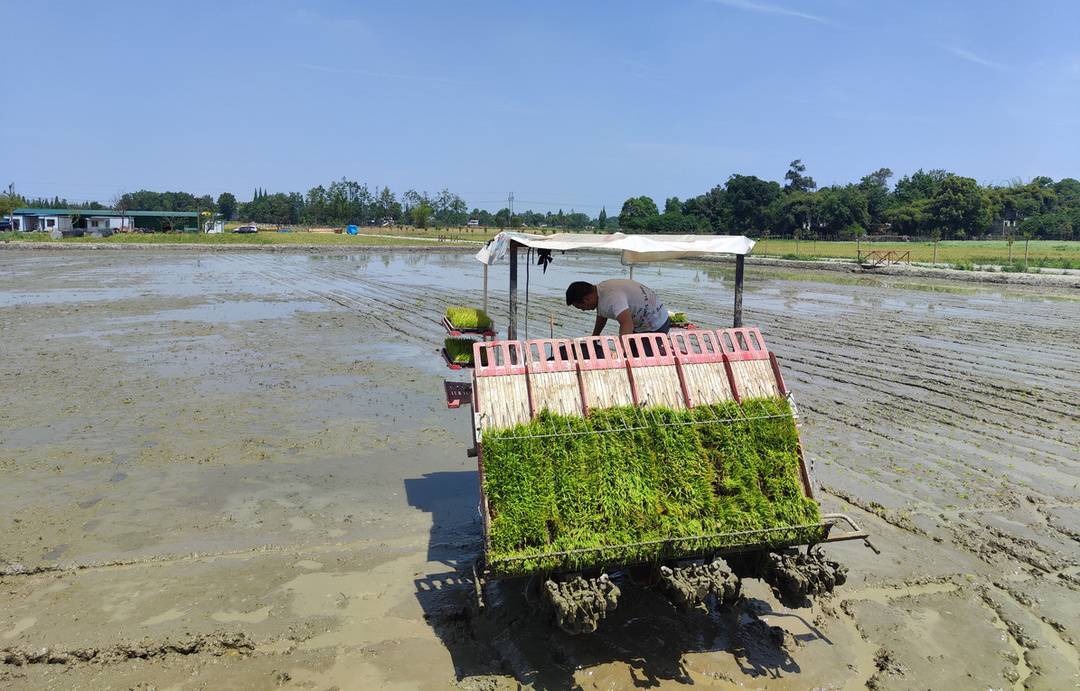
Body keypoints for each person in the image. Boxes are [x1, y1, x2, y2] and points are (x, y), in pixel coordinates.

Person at [565, 279, 670, 337]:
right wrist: (595, 336)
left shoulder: (612, 298)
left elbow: (626, 324)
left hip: (656, 324)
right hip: (641, 324)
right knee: (631, 349)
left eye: (581, 307)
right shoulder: (601, 290)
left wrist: (622, 350)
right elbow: (602, 314)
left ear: (587, 299)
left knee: (638, 359)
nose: (583, 310)